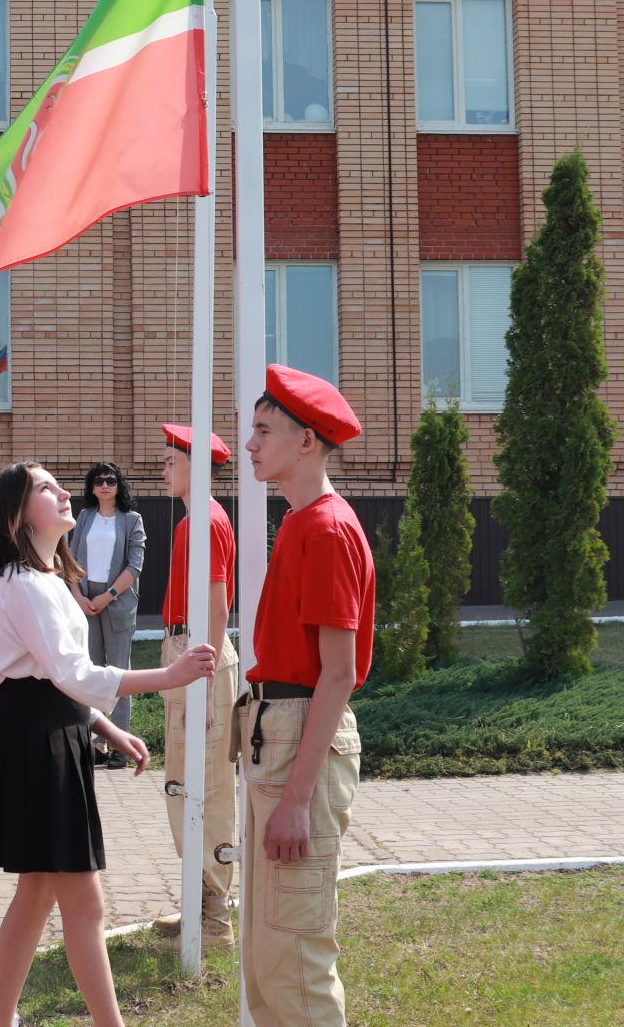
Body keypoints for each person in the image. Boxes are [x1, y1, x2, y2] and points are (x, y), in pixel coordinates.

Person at [0, 461, 215, 1027]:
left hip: (47, 731)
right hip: (35, 741)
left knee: (38, 892)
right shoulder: (25, 582)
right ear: (16, 514)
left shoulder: (46, 579)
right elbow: (71, 675)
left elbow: (55, 679)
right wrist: (168, 677)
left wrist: (104, 727)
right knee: (83, 900)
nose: (63, 493)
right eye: (44, 488)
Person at [239, 366, 374, 1027]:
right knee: (268, 963)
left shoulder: (324, 529)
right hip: (277, 730)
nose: (250, 443)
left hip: (299, 741)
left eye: (264, 431)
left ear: (308, 443)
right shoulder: (298, 523)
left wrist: (295, 798)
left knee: (294, 961)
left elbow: (338, 673)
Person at [150, 424, 240, 948]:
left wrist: (202, 675)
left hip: (197, 654)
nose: (162, 470)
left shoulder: (202, 519)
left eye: (170, 461)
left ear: (195, 466)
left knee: (202, 786)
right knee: (187, 782)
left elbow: (216, 599)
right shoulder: (197, 518)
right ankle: (198, 901)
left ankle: (212, 918)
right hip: (189, 652)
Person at [66, 462, 146, 768]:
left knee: (119, 673)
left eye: (110, 480)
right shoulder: (84, 516)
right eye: (98, 481)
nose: (104, 485)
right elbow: (70, 557)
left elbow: (135, 566)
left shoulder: (132, 519)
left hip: (117, 600)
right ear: (91, 486)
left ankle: (120, 747)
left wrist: (107, 595)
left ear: (118, 485)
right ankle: (95, 744)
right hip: (85, 600)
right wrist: (78, 595)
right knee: (92, 671)